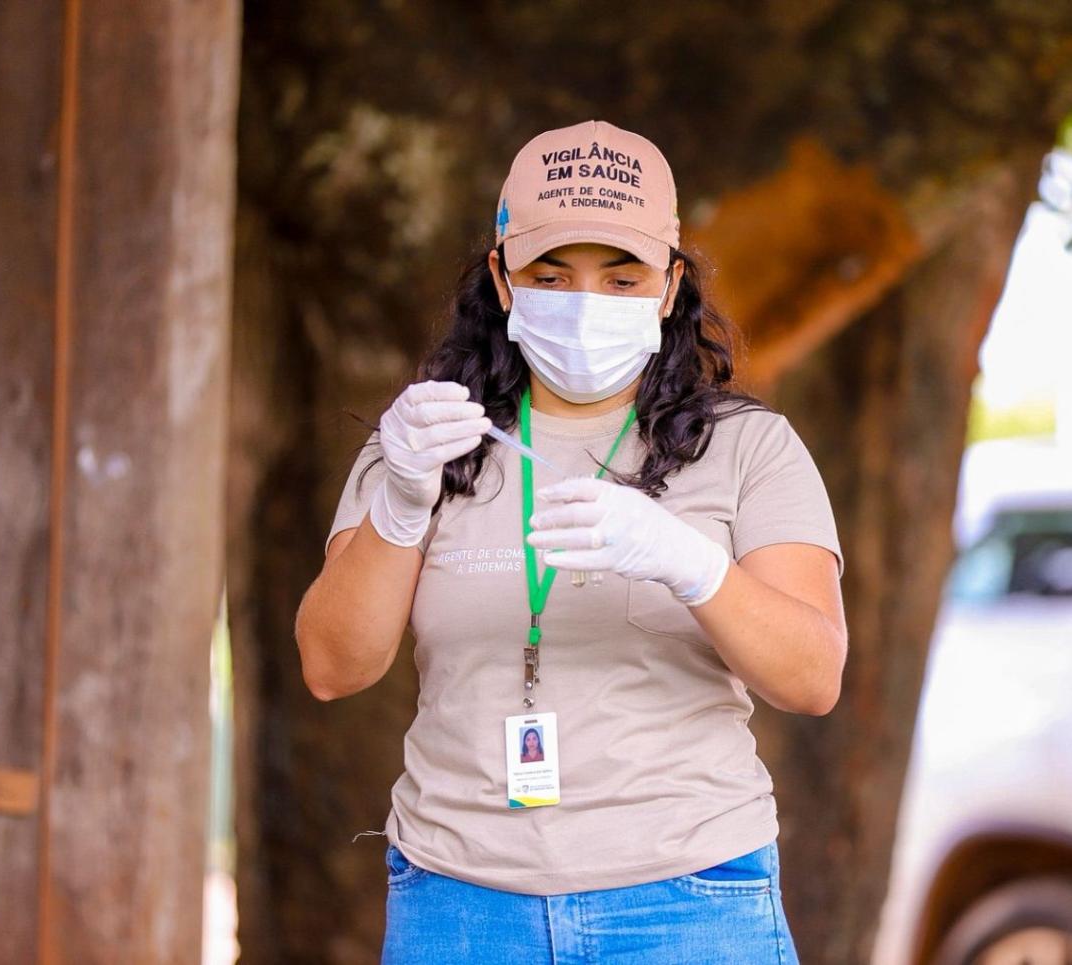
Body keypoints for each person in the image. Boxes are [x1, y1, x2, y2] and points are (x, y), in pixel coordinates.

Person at [295, 118, 847, 964]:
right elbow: (334, 665)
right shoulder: (427, 440)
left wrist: (690, 563)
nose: (586, 301)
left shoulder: (748, 447)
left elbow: (813, 676)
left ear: (668, 288)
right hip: (459, 904)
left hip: (691, 900)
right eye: (552, 274)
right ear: (503, 279)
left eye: (622, 278)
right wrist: (401, 503)